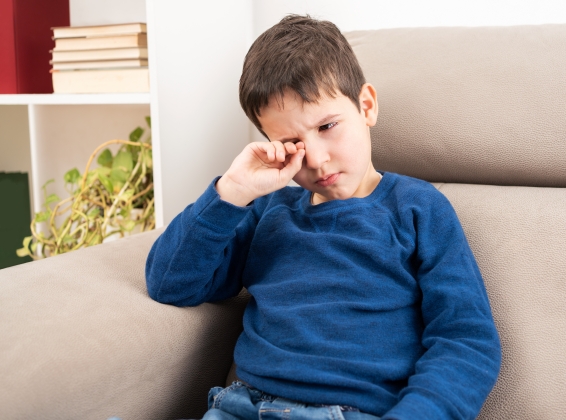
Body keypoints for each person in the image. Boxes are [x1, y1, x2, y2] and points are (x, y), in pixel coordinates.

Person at [146, 14, 501, 420]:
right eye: (291, 143)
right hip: (241, 407)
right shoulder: (267, 211)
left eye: (328, 126)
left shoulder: (418, 209)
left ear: (366, 106)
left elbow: (466, 340)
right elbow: (170, 283)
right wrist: (232, 192)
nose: (315, 158)